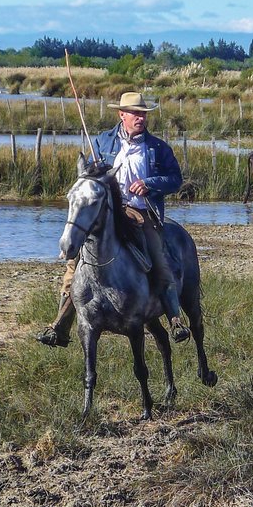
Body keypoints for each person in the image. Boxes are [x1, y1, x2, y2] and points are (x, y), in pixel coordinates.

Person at [37, 91, 190, 346]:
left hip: (141, 212)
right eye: (135, 113)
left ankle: (175, 319)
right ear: (122, 115)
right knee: (74, 264)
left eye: (143, 114)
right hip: (107, 211)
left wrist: (150, 184)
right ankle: (60, 325)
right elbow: (90, 176)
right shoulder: (102, 142)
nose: (140, 118)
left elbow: (175, 179)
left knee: (159, 260)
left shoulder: (157, 148)